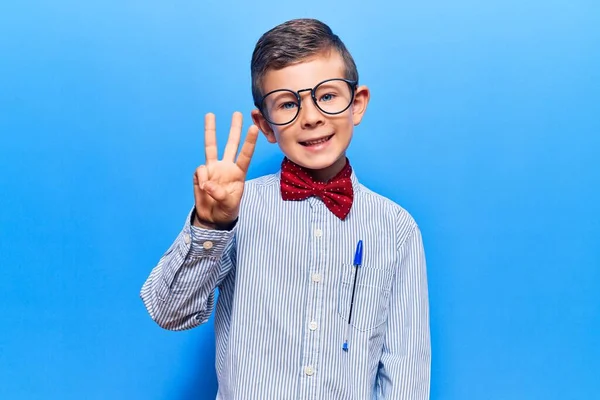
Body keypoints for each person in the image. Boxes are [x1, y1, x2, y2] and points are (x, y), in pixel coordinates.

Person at [140, 18, 430, 399]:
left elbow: (405, 370)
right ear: (265, 125)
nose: (310, 117)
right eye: (288, 103)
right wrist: (212, 225)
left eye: (327, 96)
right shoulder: (236, 209)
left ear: (357, 104)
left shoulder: (396, 228)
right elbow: (169, 312)